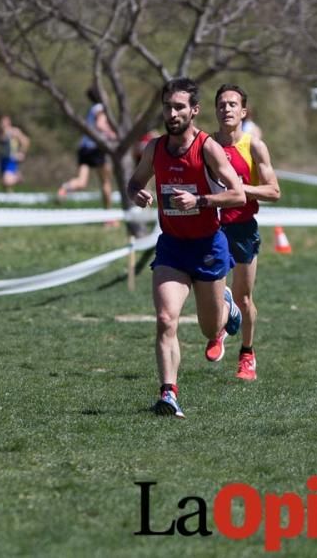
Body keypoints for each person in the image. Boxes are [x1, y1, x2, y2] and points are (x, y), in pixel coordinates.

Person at [127, 77, 246, 418]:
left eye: (180, 107)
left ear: (194, 111)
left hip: (208, 246)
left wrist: (200, 200)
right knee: (166, 319)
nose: (173, 112)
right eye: (168, 106)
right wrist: (136, 191)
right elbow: (135, 180)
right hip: (172, 247)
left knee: (211, 329)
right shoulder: (155, 148)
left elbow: (237, 194)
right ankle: (169, 393)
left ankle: (227, 308)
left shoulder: (207, 148)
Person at [213, 85, 280, 381]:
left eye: (232, 104)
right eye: (222, 104)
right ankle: (216, 331)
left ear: (243, 112)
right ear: (214, 111)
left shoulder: (254, 146)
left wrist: (241, 191)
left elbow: (274, 191)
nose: (226, 109)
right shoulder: (206, 145)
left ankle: (247, 353)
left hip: (243, 228)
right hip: (212, 227)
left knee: (243, 298)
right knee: (211, 291)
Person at [58, 86, 117, 209]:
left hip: (84, 148)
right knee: (106, 182)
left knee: (81, 181)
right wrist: (113, 134)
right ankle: (109, 217)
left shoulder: (92, 109)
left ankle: (65, 188)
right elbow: (100, 125)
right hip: (97, 148)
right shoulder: (101, 108)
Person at [0, 115, 30, 191]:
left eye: (4, 122)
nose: (2, 124)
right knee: (3, 184)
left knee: (7, 181)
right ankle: (11, 199)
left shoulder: (14, 131)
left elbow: (26, 141)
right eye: (1, 122)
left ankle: (18, 178)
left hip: (11, 159)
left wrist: (22, 153)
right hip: (2, 159)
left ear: (8, 122)